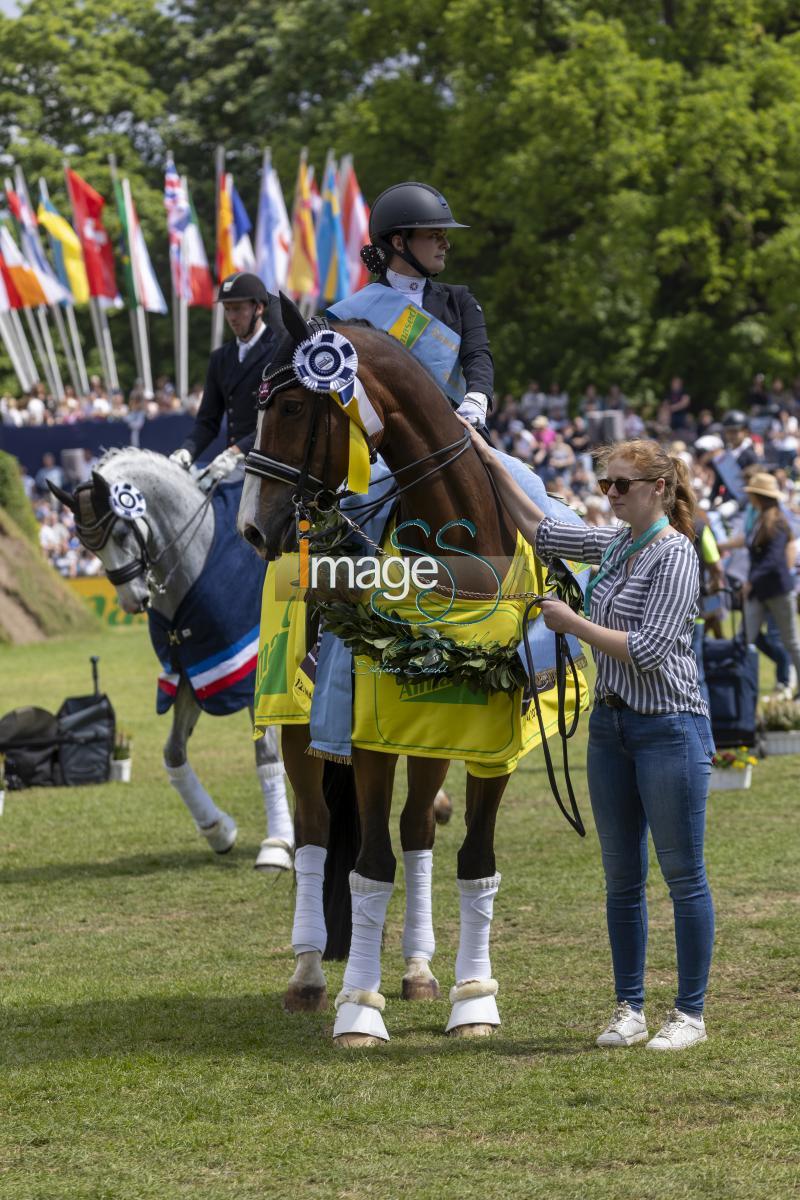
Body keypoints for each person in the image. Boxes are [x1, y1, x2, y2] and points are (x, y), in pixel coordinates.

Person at [462, 427, 716, 1052]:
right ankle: (629, 1007)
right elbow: (541, 528)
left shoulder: (675, 554)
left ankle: (689, 1014)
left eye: (621, 486)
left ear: (659, 489)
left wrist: (570, 622)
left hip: (668, 728)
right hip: (613, 728)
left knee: (684, 877)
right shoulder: (616, 544)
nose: (609, 495)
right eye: (605, 484)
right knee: (621, 878)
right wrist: (486, 456)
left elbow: (651, 651)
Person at [351, 181, 494, 428]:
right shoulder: (354, 312)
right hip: (379, 440)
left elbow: (477, 355)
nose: (446, 245)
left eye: (444, 236)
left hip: (455, 427)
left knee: (517, 470)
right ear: (398, 242)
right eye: (434, 236)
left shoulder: (460, 301)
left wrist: (477, 397)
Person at [170, 272, 287, 484]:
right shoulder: (220, 358)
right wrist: (186, 452)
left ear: (258, 308)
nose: (232, 317)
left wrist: (237, 450)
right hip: (231, 465)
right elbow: (208, 422)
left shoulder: (279, 350)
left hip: (270, 465)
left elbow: (279, 419)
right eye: (227, 309)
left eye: (238, 309)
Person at [740, 472, 800, 696]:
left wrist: (750, 581)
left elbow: (774, 561)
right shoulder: (761, 518)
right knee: (747, 637)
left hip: (776, 589)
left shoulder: (777, 523)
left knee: (791, 641)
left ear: (758, 496)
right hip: (759, 590)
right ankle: (744, 689)